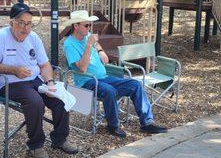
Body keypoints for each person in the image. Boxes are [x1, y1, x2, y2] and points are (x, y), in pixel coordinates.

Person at [0, 2, 76, 158]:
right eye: (21, 23)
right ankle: (36, 145)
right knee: (35, 102)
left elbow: (44, 65)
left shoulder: (33, 37)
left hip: (34, 80)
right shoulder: (0, 37)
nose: (25, 28)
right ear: (11, 22)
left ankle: (60, 139)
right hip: (9, 83)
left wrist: (50, 82)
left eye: (29, 24)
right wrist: (14, 70)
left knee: (60, 97)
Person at [62, 10, 168, 138]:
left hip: (103, 78)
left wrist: (100, 50)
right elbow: (82, 69)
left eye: (90, 25)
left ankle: (147, 122)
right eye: (87, 25)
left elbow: (96, 43)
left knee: (135, 84)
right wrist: (89, 45)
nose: (89, 28)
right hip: (87, 82)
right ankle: (113, 125)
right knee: (110, 91)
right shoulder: (69, 44)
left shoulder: (86, 35)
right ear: (76, 26)